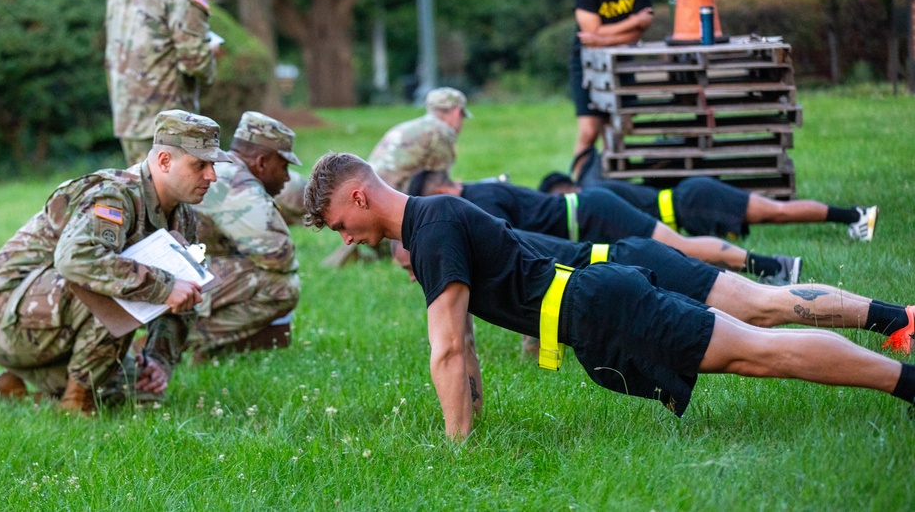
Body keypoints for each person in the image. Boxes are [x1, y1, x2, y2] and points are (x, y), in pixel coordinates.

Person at [303, 152, 915, 441]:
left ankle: (904, 375)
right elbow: (459, 345)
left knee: (760, 346)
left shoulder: (431, 230)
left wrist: (456, 451)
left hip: (602, 302)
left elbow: (446, 352)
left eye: (337, 225)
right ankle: (900, 358)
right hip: (596, 302)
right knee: (758, 331)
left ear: (358, 196)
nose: (345, 239)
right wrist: (470, 431)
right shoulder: (433, 221)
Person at [0, 111, 231, 414]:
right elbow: (75, 260)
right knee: (110, 278)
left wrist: (159, 361)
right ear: (163, 161)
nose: (211, 175)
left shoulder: (183, 216)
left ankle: (19, 384)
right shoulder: (114, 196)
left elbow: (186, 294)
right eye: (200, 165)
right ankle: (76, 401)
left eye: (213, 165)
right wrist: (162, 288)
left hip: (48, 319)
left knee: (140, 394)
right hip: (2, 316)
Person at [391, 232, 915, 357]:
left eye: (412, 265)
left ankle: (897, 319)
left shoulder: (451, 236)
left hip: (620, 264)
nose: (418, 276)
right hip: (614, 273)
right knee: (762, 315)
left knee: (763, 305)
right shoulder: (457, 241)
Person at [407, 170, 801, 285]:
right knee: (676, 252)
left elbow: (508, 245)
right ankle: (752, 274)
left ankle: (774, 266)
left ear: (441, 190)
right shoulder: (482, 189)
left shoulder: (481, 199)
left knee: (681, 246)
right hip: (589, 219)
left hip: (593, 213)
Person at [106, 0, 218, 166]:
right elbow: (194, 61)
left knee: (140, 200)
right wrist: (211, 55)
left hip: (128, 119)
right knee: (170, 205)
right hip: (169, 126)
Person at [189, 112, 302, 361]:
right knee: (282, 287)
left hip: (166, 264)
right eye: (283, 167)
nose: (285, 177)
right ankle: (183, 340)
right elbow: (278, 256)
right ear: (261, 162)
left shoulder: (221, 168)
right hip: (169, 275)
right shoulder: (238, 185)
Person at [322, 87, 471, 267]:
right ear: (456, 112)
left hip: (366, 211)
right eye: (462, 117)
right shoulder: (442, 132)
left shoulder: (409, 127)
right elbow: (439, 190)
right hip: (389, 219)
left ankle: (363, 256)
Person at [538, 171, 878, 242]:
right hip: (689, 208)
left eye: (562, 197)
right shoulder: (596, 196)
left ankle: (857, 216)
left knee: (776, 212)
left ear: (570, 189)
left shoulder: (597, 195)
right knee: (775, 213)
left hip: (692, 202)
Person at [569, 0, 654, 186]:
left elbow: (636, 35)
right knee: (589, 130)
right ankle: (579, 187)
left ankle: (613, 185)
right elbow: (589, 31)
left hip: (622, 65)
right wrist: (633, 21)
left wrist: (602, 37)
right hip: (587, 65)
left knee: (617, 130)